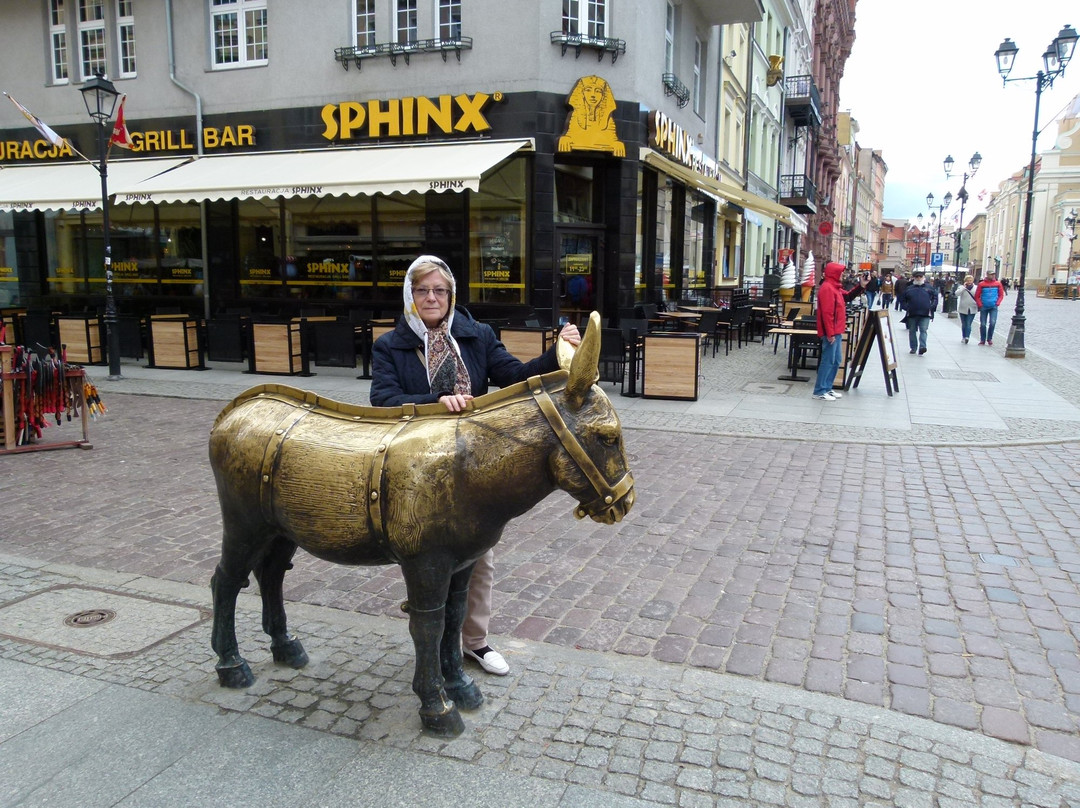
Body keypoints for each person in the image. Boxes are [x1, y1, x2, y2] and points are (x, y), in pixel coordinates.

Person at [370, 255, 582, 676]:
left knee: (478, 555)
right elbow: (383, 399)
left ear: (451, 296)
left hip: (472, 464)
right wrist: (433, 404)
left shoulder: (476, 334)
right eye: (423, 290)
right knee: (428, 557)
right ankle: (434, 640)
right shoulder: (389, 345)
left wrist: (558, 350)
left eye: (440, 290)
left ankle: (474, 642)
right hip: (420, 465)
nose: (432, 297)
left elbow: (516, 376)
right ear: (410, 295)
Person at [812, 261, 867, 401]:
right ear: (834, 273)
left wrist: (861, 286)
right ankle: (820, 390)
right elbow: (827, 313)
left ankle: (827, 388)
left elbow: (847, 296)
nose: (843, 275)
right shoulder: (828, 288)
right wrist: (829, 333)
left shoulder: (834, 287)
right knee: (828, 360)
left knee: (836, 360)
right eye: (841, 273)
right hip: (831, 331)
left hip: (836, 330)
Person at [898, 269, 938, 355]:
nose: (919, 278)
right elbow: (902, 299)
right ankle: (913, 347)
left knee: (923, 330)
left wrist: (932, 306)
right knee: (912, 331)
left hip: (925, 313)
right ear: (914, 278)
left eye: (920, 276)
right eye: (917, 277)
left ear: (923, 277)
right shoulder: (909, 288)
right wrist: (906, 307)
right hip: (912, 313)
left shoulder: (929, 287)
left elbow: (935, 297)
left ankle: (922, 347)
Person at [974, 270, 1006, 346]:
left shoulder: (998, 284)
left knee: (992, 323)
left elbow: (1001, 295)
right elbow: (977, 296)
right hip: (984, 306)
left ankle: (989, 338)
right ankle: (982, 339)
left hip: (993, 306)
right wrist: (980, 305)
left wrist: (997, 303)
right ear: (987, 275)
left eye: (993, 274)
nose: (992, 276)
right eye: (991, 274)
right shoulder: (981, 284)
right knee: (983, 324)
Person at [956, 274, 978, 344]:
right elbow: (957, 293)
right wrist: (963, 287)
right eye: (968, 280)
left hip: (972, 307)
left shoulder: (976, 288)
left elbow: (978, 296)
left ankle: (967, 337)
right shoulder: (961, 287)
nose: (969, 281)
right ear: (965, 281)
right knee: (964, 323)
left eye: (970, 280)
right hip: (963, 308)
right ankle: (963, 336)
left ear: (973, 281)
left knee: (968, 323)